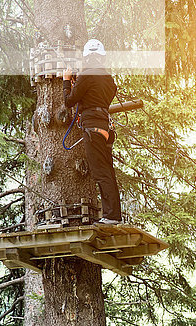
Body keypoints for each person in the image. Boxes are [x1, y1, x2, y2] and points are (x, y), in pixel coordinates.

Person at [63, 39, 121, 225]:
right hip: (104, 128)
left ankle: (111, 217)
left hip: (92, 128)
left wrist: (66, 81)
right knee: (108, 173)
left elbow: (69, 101)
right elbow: (98, 95)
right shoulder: (109, 79)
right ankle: (115, 215)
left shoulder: (87, 75)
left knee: (101, 173)